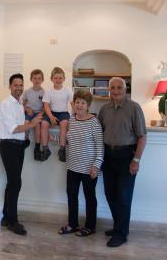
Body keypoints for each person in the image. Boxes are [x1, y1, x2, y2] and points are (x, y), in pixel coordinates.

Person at [98, 77, 147, 247]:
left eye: (120, 87)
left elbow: (142, 136)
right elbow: (98, 135)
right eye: (113, 87)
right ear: (109, 90)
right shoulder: (104, 109)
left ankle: (121, 234)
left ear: (125, 90)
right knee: (110, 194)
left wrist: (136, 160)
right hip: (108, 156)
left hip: (127, 157)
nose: (116, 90)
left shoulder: (134, 108)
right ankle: (119, 227)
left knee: (124, 197)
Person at [0, 73, 42, 235]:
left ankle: (6, 218)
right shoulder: (6, 104)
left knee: (12, 182)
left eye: (21, 85)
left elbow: (20, 126)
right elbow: (13, 128)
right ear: (10, 87)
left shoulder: (19, 103)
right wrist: (33, 124)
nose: (19, 88)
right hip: (8, 146)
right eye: (16, 85)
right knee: (15, 182)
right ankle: (13, 221)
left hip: (18, 146)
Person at [58, 90, 104, 237]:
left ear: (88, 105)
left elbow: (100, 146)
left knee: (90, 197)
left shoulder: (94, 122)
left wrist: (96, 166)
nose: (79, 105)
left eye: (83, 103)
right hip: (72, 167)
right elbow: (71, 139)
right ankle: (73, 224)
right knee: (71, 196)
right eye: (77, 102)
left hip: (89, 168)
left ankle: (90, 226)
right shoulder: (71, 120)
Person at [41, 67, 73, 162]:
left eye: (60, 78)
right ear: (51, 79)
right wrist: (50, 117)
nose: (58, 80)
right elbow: (46, 105)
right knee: (43, 124)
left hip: (63, 113)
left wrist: (77, 116)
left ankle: (62, 149)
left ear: (64, 79)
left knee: (64, 124)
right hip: (52, 112)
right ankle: (45, 148)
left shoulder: (68, 90)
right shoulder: (48, 91)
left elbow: (72, 104)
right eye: (56, 78)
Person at [21, 69, 46, 161]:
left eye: (39, 78)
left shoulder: (44, 92)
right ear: (31, 79)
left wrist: (41, 113)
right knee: (26, 122)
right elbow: (21, 104)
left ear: (42, 80)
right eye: (34, 78)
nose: (37, 80)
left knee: (37, 127)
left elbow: (45, 106)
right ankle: (26, 140)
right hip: (29, 112)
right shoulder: (27, 91)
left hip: (38, 113)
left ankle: (37, 147)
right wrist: (27, 109)